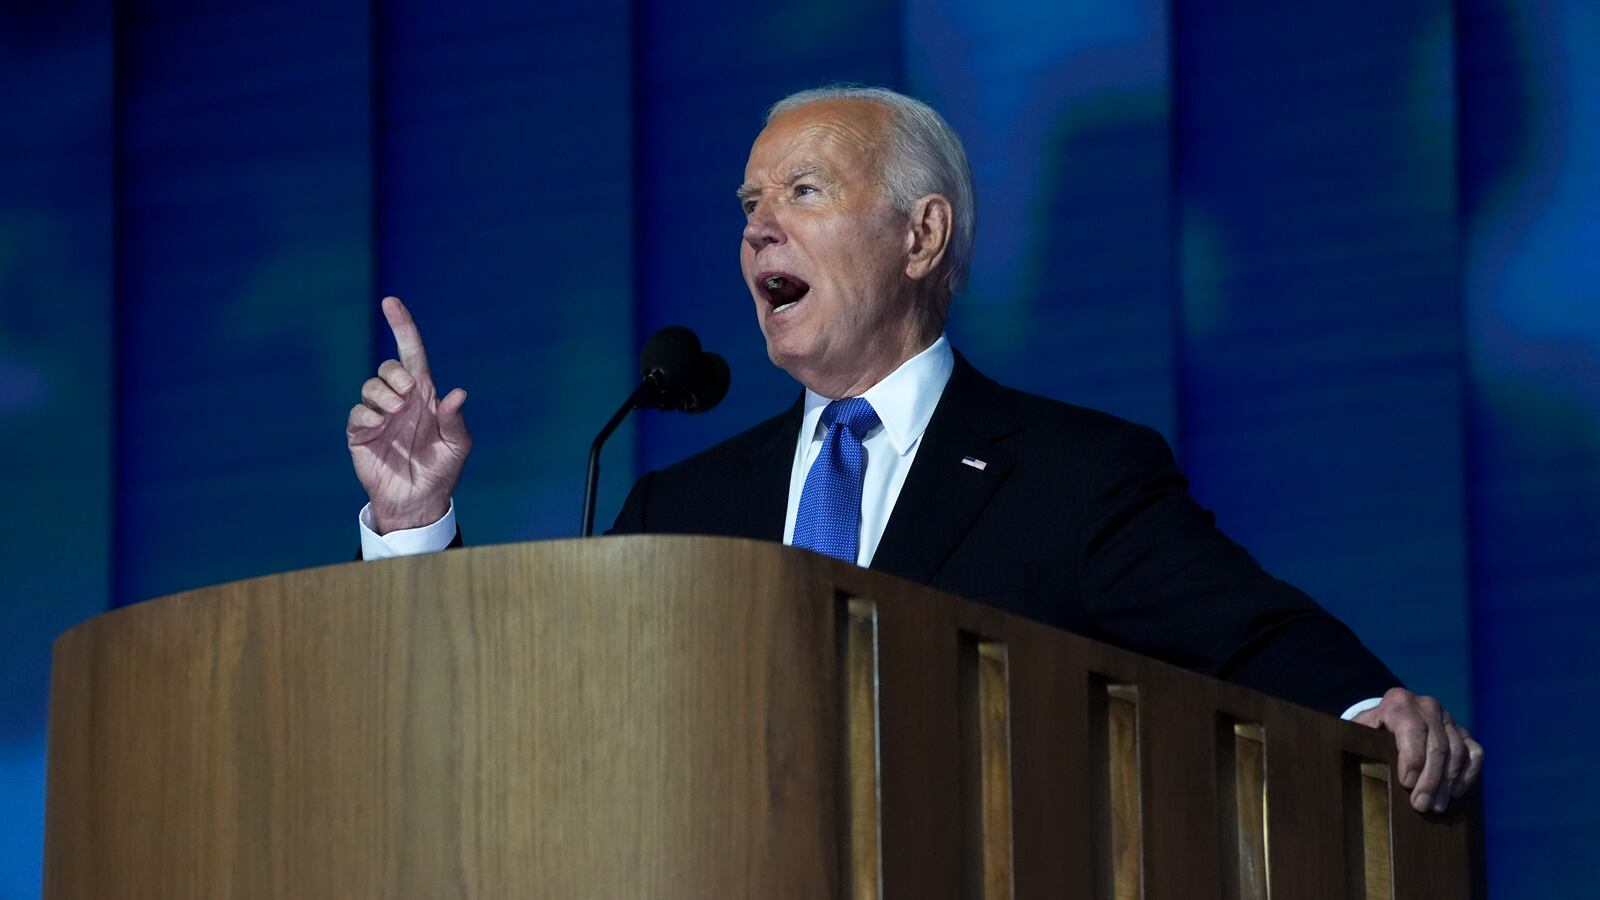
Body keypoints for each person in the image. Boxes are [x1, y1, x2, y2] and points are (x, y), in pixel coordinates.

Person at [346, 86, 1483, 813]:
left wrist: (1370, 717)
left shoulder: (1071, 473)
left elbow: (1252, 636)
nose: (756, 230)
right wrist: (413, 526)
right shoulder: (674, 511)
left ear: (921, 234)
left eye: (802, 191)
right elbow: (521, 732)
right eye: (748, 203)